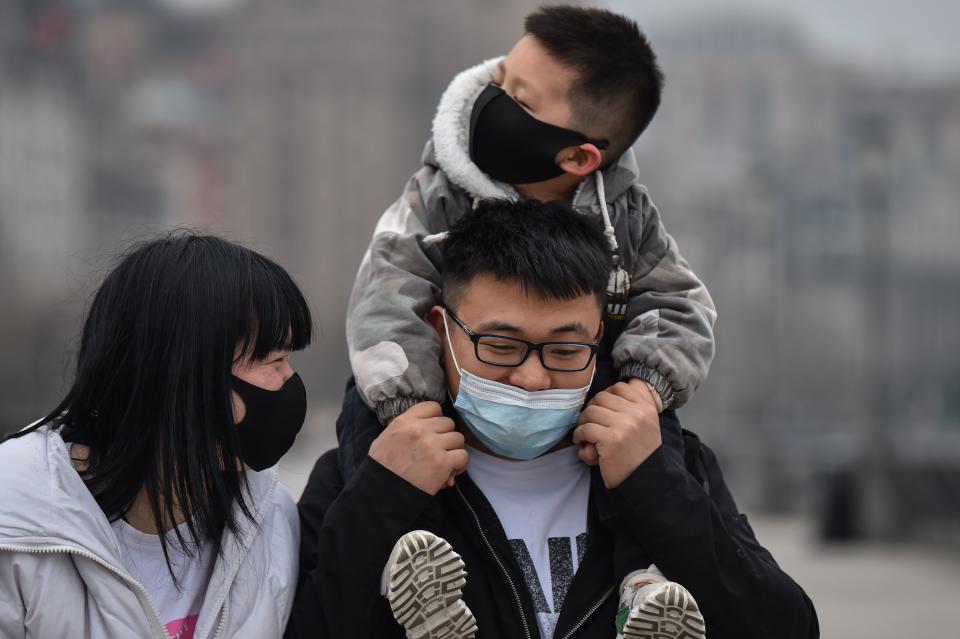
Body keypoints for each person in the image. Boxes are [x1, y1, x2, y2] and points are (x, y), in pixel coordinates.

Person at [286, 200, 819, 639]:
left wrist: (655, 486)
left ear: (600, 341)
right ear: (440, 332)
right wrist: (382, 497)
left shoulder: (670, 463)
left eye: (566, 350)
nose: (533, 378)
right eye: (500, 345)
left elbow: (785, 626)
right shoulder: (362, 472)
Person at [344, 5, 717, 462]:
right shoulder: (438, 197)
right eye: (499, 80)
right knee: (367, 448)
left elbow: (682, 306)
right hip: (444, 415)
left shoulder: (627, 218)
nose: (491, 100)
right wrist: (409, 406)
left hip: (579, 423)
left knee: (667, 453)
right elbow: (383, 300)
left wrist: (643, 390)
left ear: (577, 159)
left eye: (519, 101)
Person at [0, 232, 313, 639]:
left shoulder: (269, 517)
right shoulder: (16, 527)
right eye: (275, 360)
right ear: (184, 376)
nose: (289, 380)